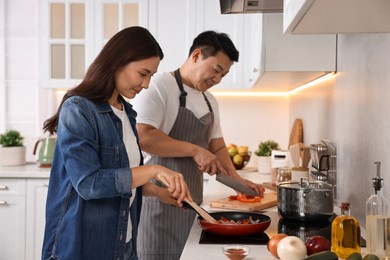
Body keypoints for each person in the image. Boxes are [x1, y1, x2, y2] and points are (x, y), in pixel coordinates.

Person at [41, 26, 192, 260]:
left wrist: (156, 192)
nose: (146, 84)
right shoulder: (78, 109)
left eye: (151, 76)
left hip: (124, 243)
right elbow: (89, 184)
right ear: (117, 62)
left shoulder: (126, 113)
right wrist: (154, 169)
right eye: (143, 73)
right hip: (83, 247)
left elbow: (119, 178)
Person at [132, 30, 265, 260]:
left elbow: (218, 148)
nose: (218, 80)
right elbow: (144, 137)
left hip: (193, 209)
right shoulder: (159, 87)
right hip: (159, 207)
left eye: (223, 74)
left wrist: (237, 181)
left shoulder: (210, 101)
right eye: (216, 70)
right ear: (196, 56)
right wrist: (194, 150)